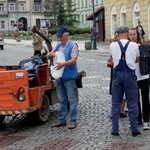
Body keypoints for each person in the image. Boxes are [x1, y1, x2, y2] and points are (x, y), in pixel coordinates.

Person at [109, 26, 140, 137]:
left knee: (116, 102)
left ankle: (115, 130)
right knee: (132, 102)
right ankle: (134, 130)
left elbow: (111, 58)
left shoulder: (112, 45)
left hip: (117, 74)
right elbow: (137, 59)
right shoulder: (134, 45)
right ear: (127, 33)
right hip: (130, 74)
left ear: (118, 34)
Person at [47, 25, 79, 129]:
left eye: (61, 36)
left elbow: (74, 60)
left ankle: (73, 120)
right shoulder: (58, 45)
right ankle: (62, 120)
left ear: (66, 35)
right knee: (62, 99)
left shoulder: (73, 45)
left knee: (72, 99)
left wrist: (63, 64)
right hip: (59, 76)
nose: (59, 38)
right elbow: (52, 53)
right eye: (58, 36)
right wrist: (49, 55)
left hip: (69, 76)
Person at [128, 27, 150, 130]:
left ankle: (146, 121)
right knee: (135, 100)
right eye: (130, 35)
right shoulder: (126, 47)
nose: (132, 36)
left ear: (138, 35)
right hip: (133, 77)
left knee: (145, 99)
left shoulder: (145, 47)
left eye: (134, 34)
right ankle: (138, 119)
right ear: (128, 36)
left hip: (144, 76)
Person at [109, 32, 127, 118]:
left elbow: (110, 58)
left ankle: (116, 111)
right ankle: (121, 110)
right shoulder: (127, 44)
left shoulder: (113, 45)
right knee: (123, 92)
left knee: (115, 91)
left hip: (115, 70)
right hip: (124, 70)